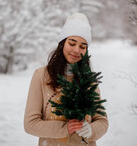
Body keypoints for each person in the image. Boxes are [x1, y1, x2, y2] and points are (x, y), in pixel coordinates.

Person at [24, 12, 108, 146]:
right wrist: (64, 129)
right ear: (62, 43)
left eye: (82, 46)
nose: (76, 50)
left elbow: (102, 121)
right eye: (72, 43)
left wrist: (91, 130)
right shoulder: (41, 75)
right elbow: (30, 123)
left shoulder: (88, 80)